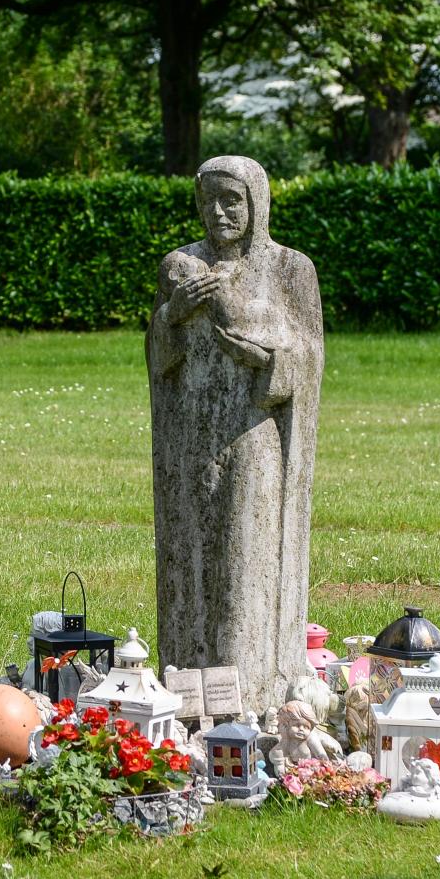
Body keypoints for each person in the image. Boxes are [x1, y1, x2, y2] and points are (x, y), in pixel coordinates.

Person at [148, 155, 324, 716]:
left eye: (233, 201)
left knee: (246, 555)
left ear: (257, 205)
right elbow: (159, 360)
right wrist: (172, 317)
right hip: (190, 433)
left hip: (254, 433)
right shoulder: (180, 266)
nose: (219, 212)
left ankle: (247, 693)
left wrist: (265, 357)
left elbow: (309, 357)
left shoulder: (291, 269)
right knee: (192, 551)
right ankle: (188, 687)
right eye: (209, 201)